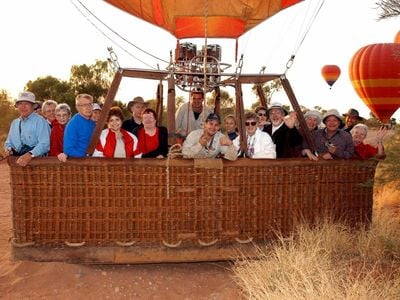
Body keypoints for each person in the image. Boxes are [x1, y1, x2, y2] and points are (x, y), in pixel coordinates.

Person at [4, 91, 50, 166]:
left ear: (33, 106)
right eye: (20, 104)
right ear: (17, 106)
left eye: (26, 104)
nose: (23, 107)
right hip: (17, 166)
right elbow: (8, 143)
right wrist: (8, 149)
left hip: (38, 165)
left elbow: (45, 144)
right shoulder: (14, 123)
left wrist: (30, 154)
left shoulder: (40, 121)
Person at [63, 93, 96, 160]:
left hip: (93, 162)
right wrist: (86, 157)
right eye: (84, 105)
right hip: (80, 164)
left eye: (90, 104)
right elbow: (68, 149)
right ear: (77, 107)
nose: (88, 108)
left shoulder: (92, 123)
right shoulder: (73, 124)